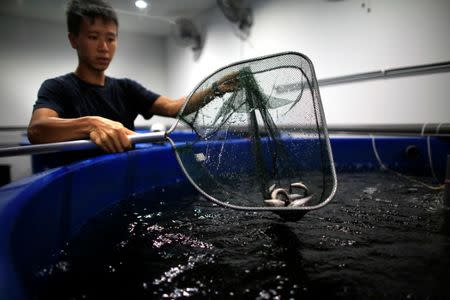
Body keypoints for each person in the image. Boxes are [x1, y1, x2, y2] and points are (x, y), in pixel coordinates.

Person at [28, 0, 235, 153]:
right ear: (74, 40)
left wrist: (217, 88)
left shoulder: (126, 88)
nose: (104, 48)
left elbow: (174, 107)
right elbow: (37, 131)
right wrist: (92, 124)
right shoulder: (57, 87)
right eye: (93, 37)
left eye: (111, 38)